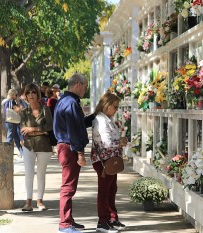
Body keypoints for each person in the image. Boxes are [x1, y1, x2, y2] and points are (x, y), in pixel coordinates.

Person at [54, 73, 95, 233]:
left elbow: (79, 123)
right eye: (85, 86)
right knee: (68, 187)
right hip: (69, 147)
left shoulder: (65, 100)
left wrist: (95, 115)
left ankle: (68, 220)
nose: (86, 90)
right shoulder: (70, 103)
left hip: (66, 146)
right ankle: (64, 224)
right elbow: (73, 131)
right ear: (79, 84)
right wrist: (79, 153)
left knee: (69, 185)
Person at [91, 92, 127, 233]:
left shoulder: (107, 118)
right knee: (104, 191)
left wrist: (120, 142)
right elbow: (106, 143)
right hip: (104, 160)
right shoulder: (100, 120)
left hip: (110, 159)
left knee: (112, 189)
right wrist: (120, 143)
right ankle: (102, 222)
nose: (116, 109)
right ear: (106, 105)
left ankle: (112, 218)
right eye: (115, 106)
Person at [19, 83, 53, 212]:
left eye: (33, 92)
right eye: (28, 93)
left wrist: (32, 129)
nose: (31, 95)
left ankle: (40, 201)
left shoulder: (45, 109)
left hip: (44, 146)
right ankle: (28, 202)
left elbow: (49, 127)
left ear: (38, 94)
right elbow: (23, 130)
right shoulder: (23, 112)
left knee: (41, 173)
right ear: (26, 96)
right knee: (28, 173)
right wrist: (40, 130)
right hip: (28, 146)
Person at [3, 89, 23, 155]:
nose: (17, 96)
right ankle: (6, 152)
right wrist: (18, 103)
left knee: (16, 137)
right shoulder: (12, 101)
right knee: (10, 137)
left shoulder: (6, 101)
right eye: (16, 95)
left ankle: (22, 152)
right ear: (12, 95)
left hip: (8, 121)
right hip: (12, 121)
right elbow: (17, 110)